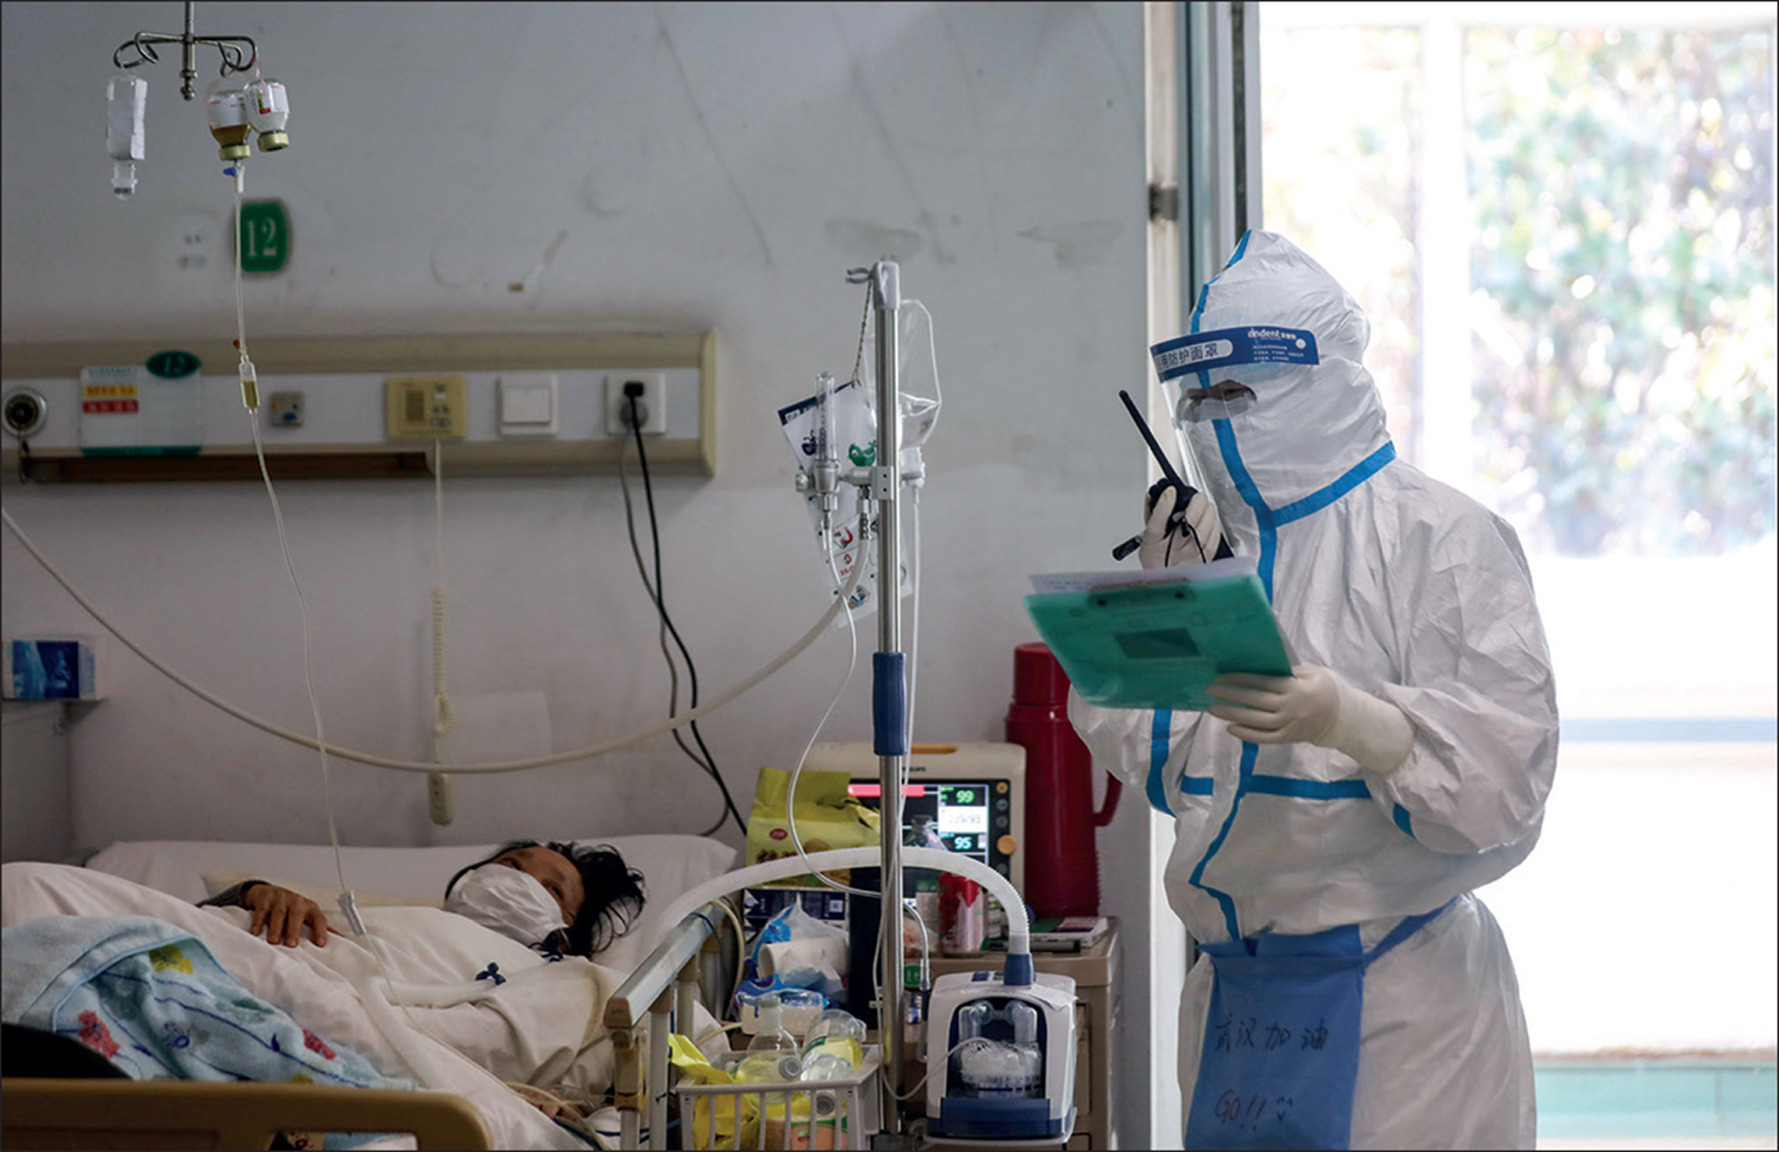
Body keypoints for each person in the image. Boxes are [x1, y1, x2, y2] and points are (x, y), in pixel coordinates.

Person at [1070, 231, 1558, 1149]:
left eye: (1237, 392)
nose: (1213, 419)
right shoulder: (1217, 549)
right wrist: (1156, 613)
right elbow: (1162, 767)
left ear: (1322, 379)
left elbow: (1503, 786)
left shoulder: (1440, 539)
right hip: (1238, 999)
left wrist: (1352, 720)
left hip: (1405, 1011)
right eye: (1197, 397)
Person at [201, 839, 646, 960]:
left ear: (566, 934)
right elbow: (190, 925)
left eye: (552, 889)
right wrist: (250, 895)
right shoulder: (377, 923)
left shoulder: (562, 987)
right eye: (511, 865)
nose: (518, 881)